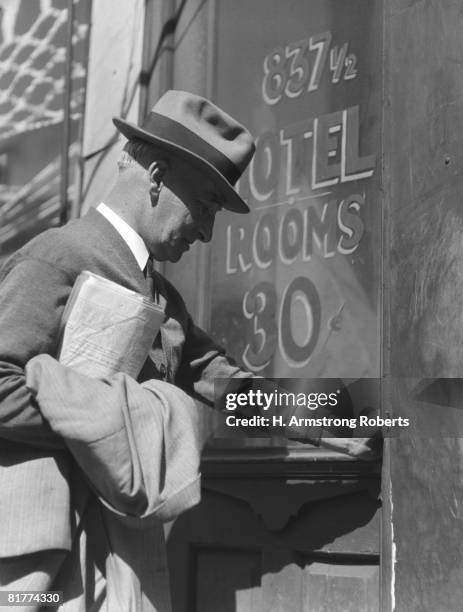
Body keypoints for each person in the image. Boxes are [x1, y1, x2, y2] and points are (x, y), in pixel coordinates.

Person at [0, 90, 378, 610]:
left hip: (118, 555)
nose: (206, 231)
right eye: (204, 206)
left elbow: (221, 381)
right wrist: (122, 425)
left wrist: (325, 422)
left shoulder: (162, 297)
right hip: (37, 564)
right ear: (156, 176)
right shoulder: (57, 256)